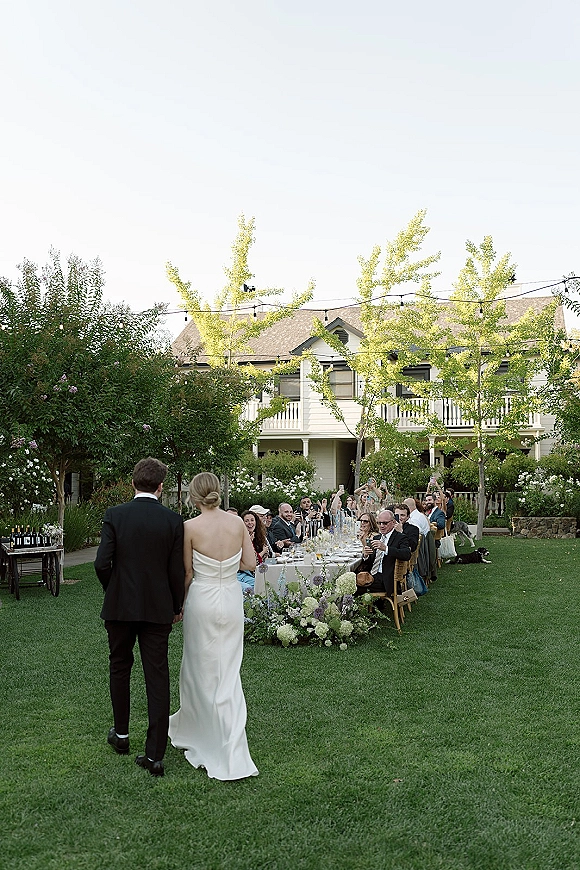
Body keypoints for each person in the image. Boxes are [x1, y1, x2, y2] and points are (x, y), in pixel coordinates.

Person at [94, 457, 185, 778]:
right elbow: (177, 572)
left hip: (120, 607)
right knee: (156, 676)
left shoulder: (116, 515)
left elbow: (101, 563)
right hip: (158, 609)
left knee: (119, 667)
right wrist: (177, 605)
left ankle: (120, 735)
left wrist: (113, 589)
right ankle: (155, 754)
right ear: (161, 487)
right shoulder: (173, 520)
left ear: (133, 483)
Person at [168, 472, 258, 781]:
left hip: (202, 600)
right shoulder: (236, 523)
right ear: (217, 492)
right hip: (231, 598)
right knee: (228, 669)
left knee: (199, 668)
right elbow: (250, 564)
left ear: (193, 496)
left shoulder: (189, 528)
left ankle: (201, 729)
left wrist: (177, 606)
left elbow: (187, 574)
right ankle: (226, 733)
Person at [362, 509, 412, 597]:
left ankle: (367, 607)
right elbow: (371, 562)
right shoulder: (376, 538)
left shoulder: (400, 537)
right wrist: (366, 555)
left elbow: (407, 554)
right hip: (372, 574)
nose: (381, 526)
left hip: (387, 579)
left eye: (385, 523)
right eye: (379, 523)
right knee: (350, 579)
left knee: (354, 586)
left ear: (393, 522)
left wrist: (386, 548)